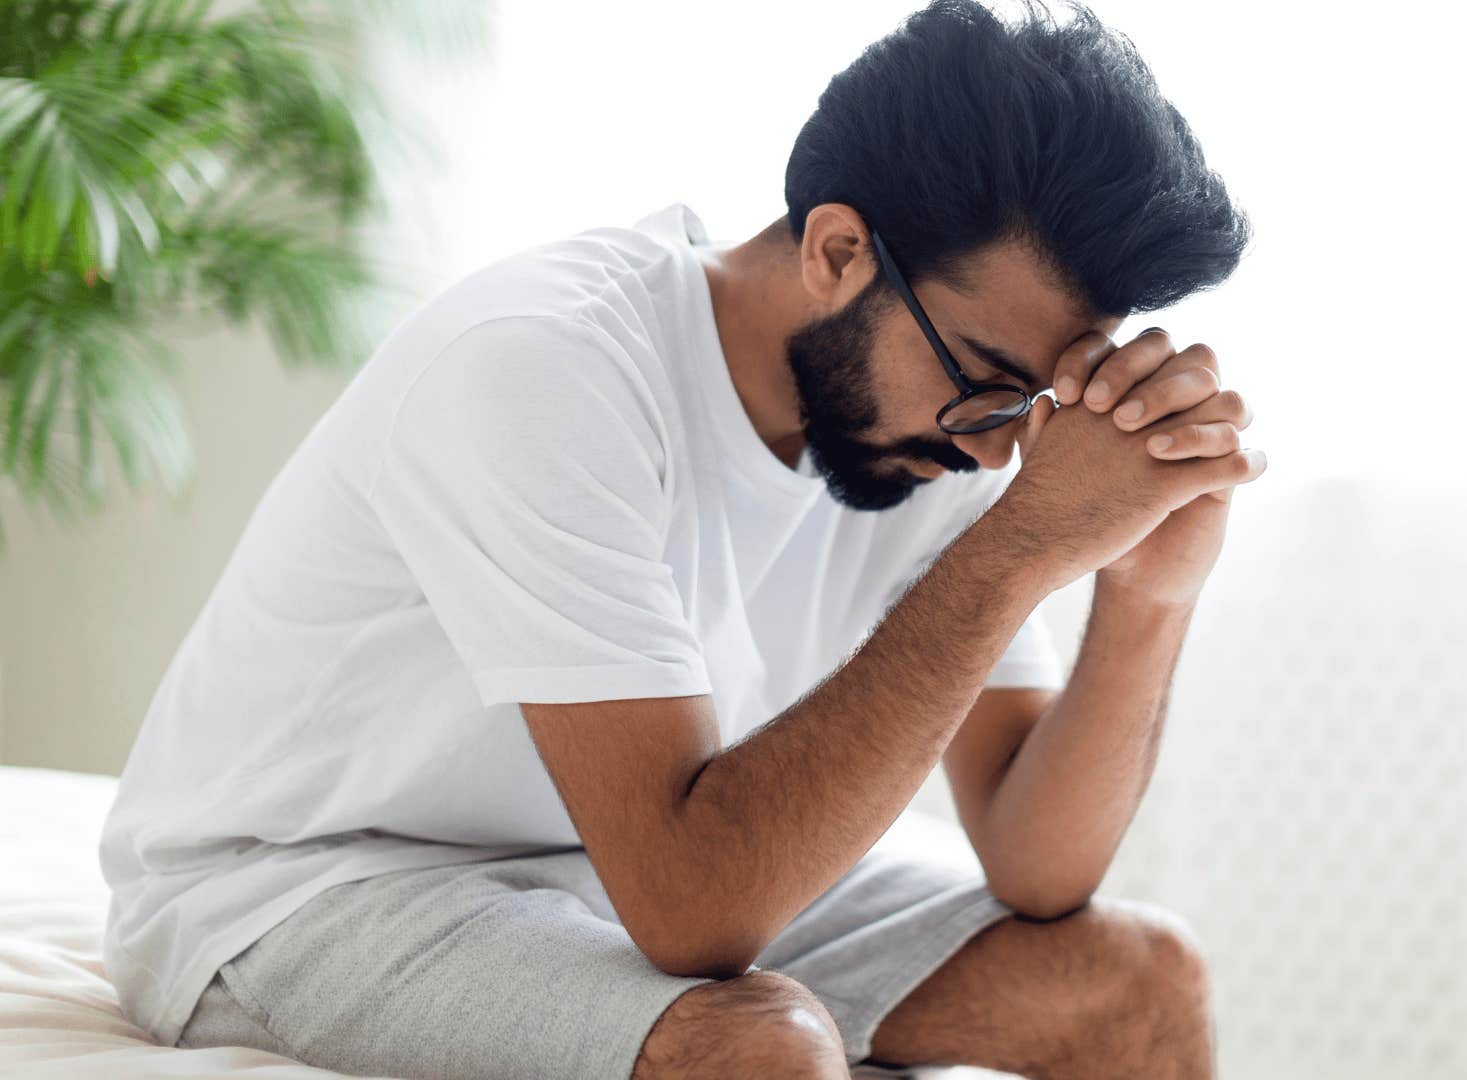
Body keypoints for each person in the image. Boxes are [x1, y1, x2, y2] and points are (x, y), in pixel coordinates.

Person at [99, 1, 1261, 1076]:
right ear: (838, 252)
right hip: (304, 885)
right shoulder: (544, 367)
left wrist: (1147, 593)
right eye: (989, 386)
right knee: (761, 1052)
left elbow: (1037, 864)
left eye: (1030, 405)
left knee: (1136, 982)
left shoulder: (943, 413)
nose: (998, 453)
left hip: (601, 873)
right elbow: (698, 910)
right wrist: (1014, 552)